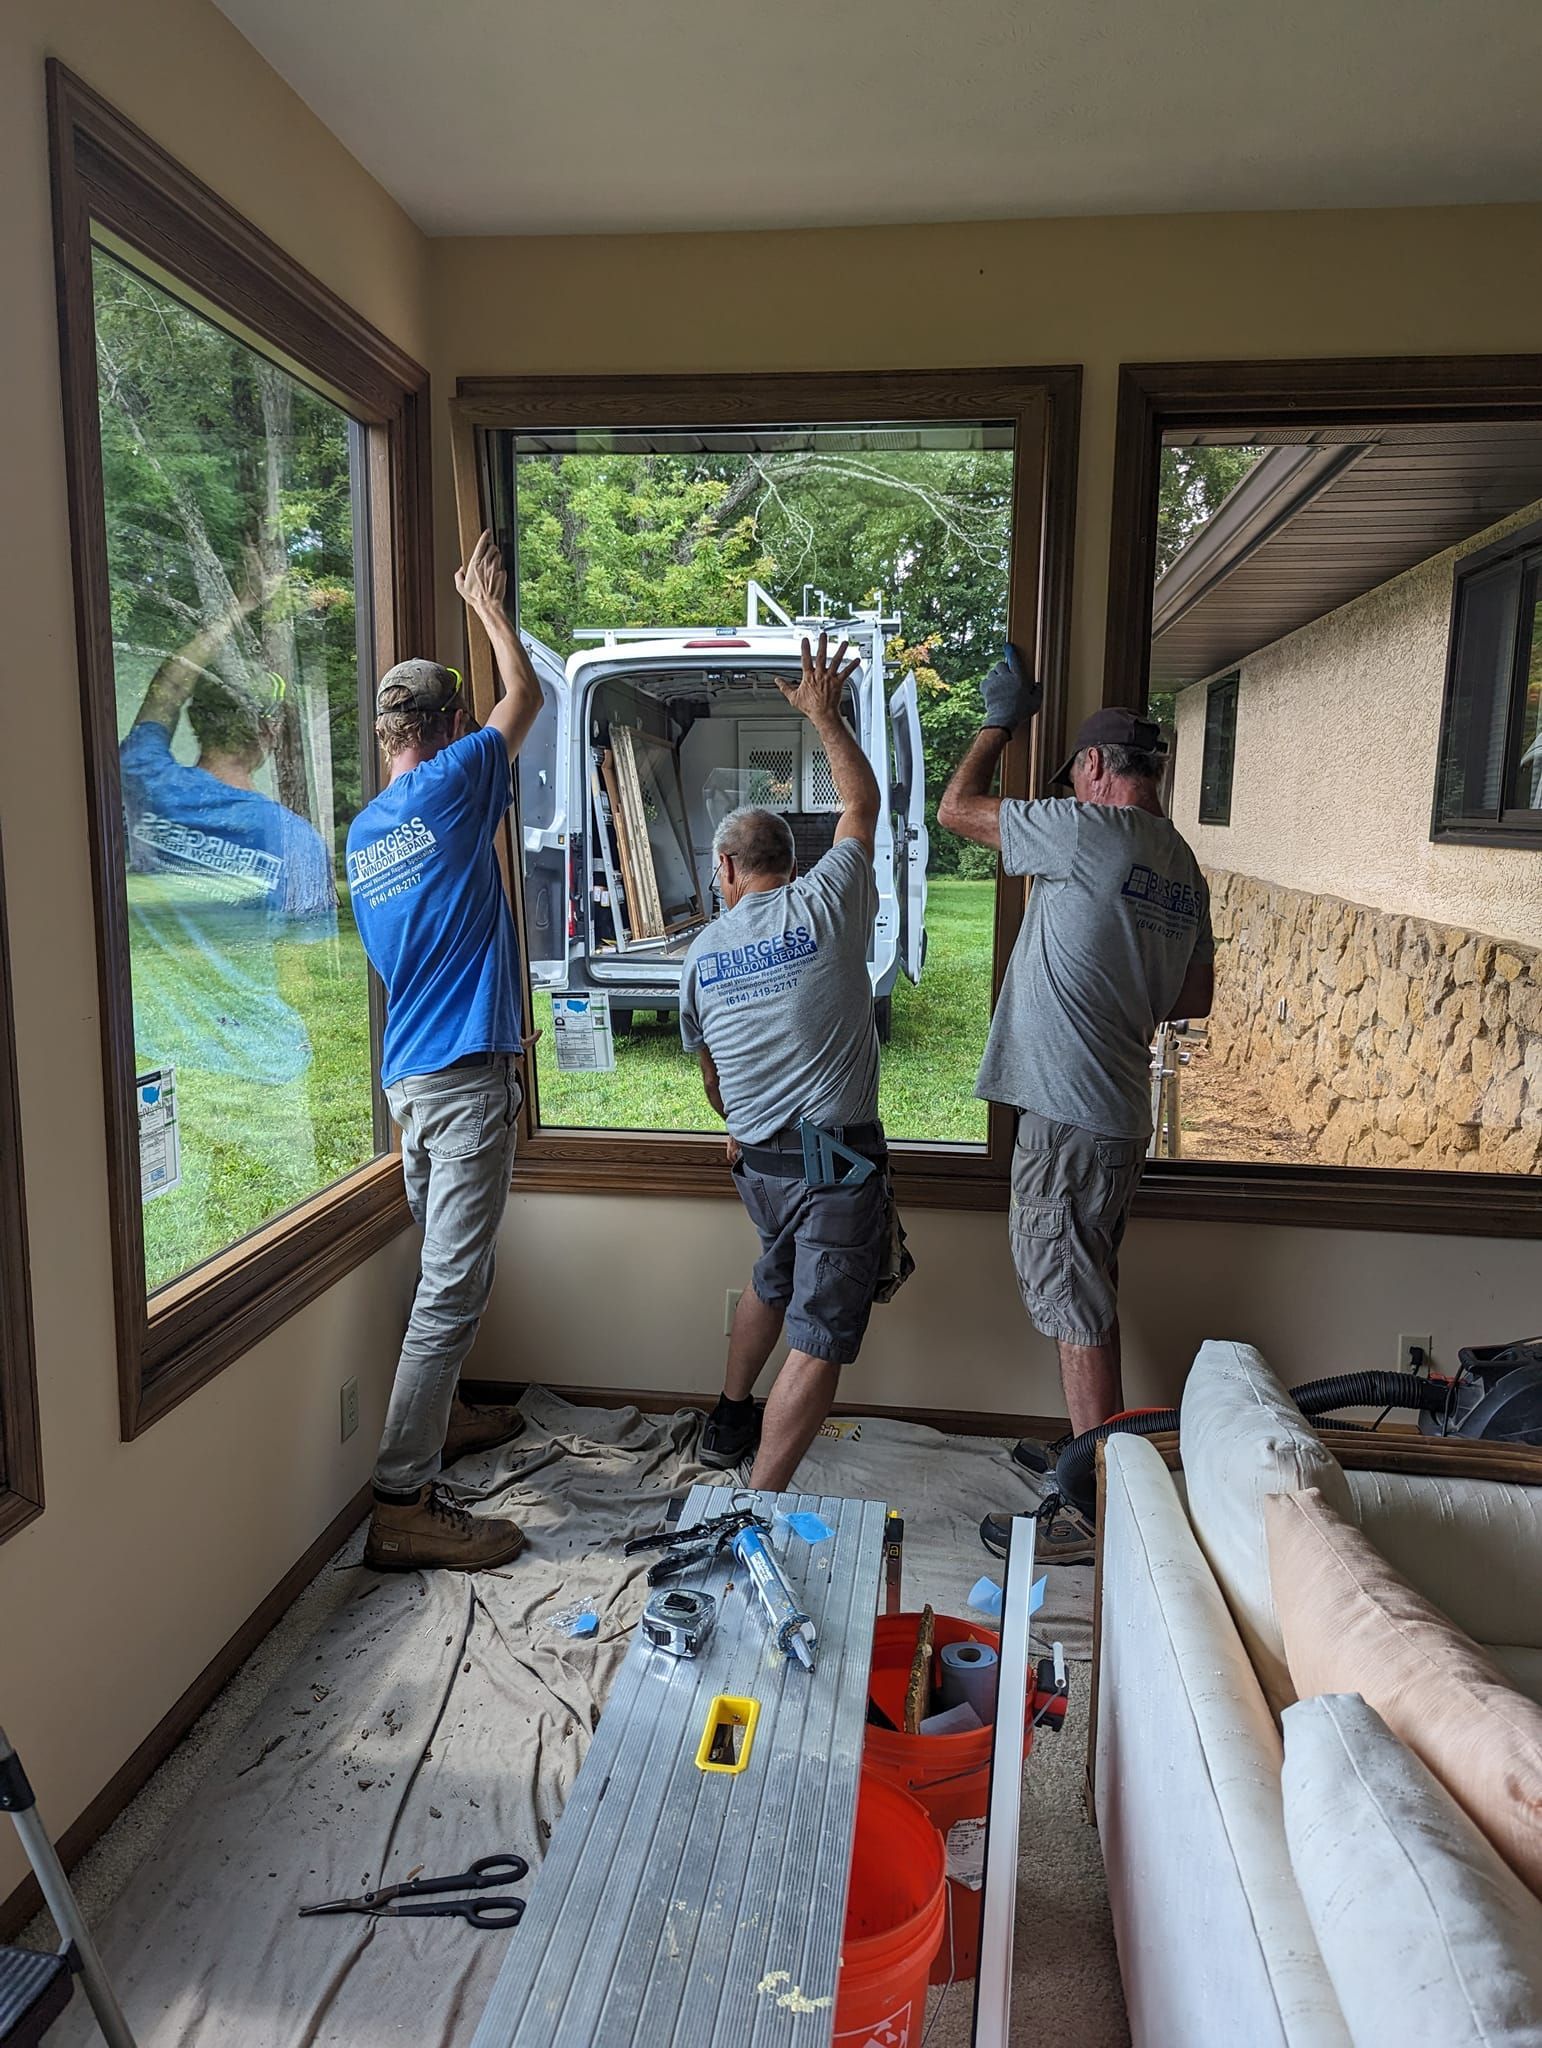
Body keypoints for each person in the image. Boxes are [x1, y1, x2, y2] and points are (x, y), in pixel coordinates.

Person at [938, 660, 1214, 1563]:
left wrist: (998, 726)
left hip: (1069, 1119)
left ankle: (1093, 1509)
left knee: (1074, 1298)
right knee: (1087, 1285)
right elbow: (1197, 993)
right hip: (1118, 1114)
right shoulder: (1180, 863)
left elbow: (956, 809)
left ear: (1095, 771)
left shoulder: (1089, 832)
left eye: (1073, 777)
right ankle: (1091, 1457)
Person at [348, 532, 543, 1573]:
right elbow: (529, 695)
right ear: (448, 729)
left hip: (412, 1081)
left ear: (386, 738)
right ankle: (403, 1498)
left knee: (442, 1269)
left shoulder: (366, 829)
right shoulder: (457, 782)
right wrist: (487, 606)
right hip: (463, 1087)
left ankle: (450, 1414)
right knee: (454, 1286)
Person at [682, 632, 891, 1493]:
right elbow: (863, 803)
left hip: (759, 1164)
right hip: (834, 1164)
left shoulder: (699, 955)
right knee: (819, 1332)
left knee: (771, 1274)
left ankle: (730, 1418)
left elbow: (708, 1073)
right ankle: (756, 1504)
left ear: (727, 869)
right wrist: (824, 716)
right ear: (794, 864)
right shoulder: (827, 903)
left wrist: (735, 1125)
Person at [120, 584, 335, 1256]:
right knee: (282, 1242)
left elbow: (163, 691)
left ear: (198, 720)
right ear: (268, 733)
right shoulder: (290, 838)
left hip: (160, 1063)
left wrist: (233, 611)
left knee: (176, 1245)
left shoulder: (145, 780)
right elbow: (307, 977)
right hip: (261, 1071)